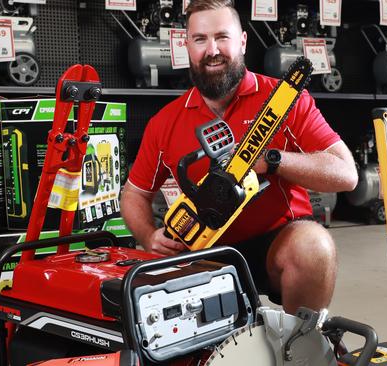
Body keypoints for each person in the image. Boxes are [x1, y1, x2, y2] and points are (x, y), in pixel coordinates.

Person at [120, 0, 358, 314]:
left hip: (276, 242)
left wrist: (273, 160)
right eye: (200, 39)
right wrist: (148, 235)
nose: (212, 50)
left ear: (243, 41)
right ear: (186, 45)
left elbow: (346, 174)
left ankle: (302, 343)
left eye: (222, 37)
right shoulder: (165, 122)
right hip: (201, 250)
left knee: (314, 244)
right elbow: (134, 193)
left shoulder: (285, 100)